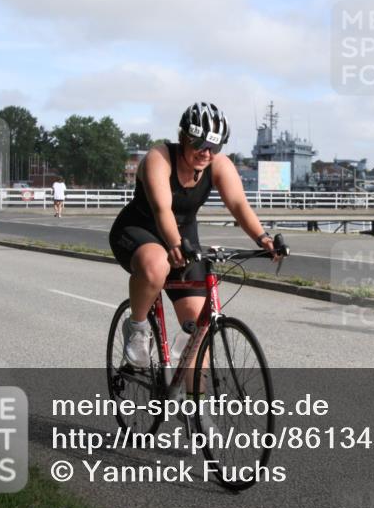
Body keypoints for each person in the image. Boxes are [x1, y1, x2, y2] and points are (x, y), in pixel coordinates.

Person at [109, 102, 279, 369]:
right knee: (157, 265)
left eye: (214, 147)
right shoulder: (159, 158)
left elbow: (238, 205)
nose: (206, 153)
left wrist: (263, 239)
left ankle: (194, 394)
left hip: (183, 236)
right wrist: (174, 244)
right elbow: (162, 209)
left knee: (198, 328)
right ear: (183, 137)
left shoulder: (219, 165)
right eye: (199, 143)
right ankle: (137, 328)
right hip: (139, 228)